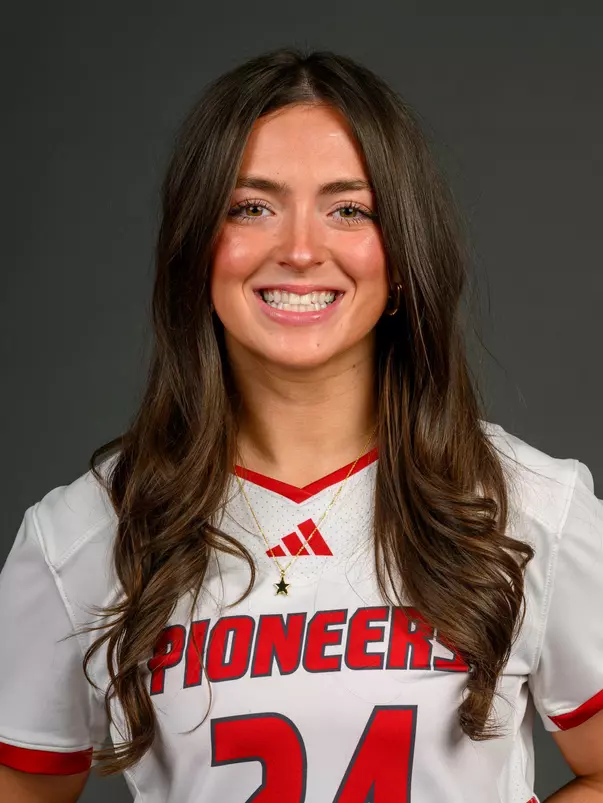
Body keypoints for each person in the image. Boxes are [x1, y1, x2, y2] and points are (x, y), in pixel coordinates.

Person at [0, 47, 601, 803]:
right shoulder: (81, 536)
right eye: (252, 207)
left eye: (348, 209)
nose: (299, 250)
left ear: (401, 253)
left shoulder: (528, 506)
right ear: (196, 249)